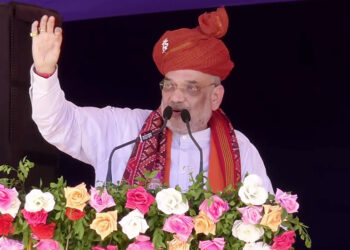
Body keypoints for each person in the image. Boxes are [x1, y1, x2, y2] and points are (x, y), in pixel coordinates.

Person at [29, 7, 273, 193]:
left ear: (215, 97)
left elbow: (268, 225)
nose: (176, 97)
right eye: (169, 85)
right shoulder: (124, 131)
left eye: (191, 88)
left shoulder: (238, 149)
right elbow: (58, 125)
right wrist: (44, 73)